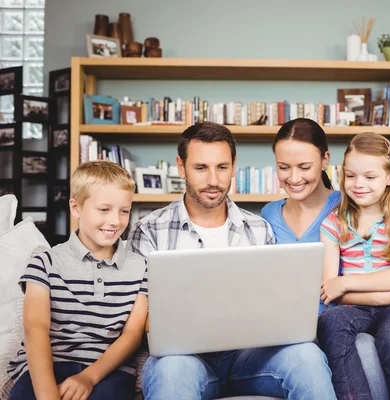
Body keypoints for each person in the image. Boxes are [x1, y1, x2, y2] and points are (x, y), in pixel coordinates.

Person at [126, 122, 336, 400]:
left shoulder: (259, 228)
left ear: (234, 166)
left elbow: (274, 304)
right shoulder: (150, 230)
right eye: (201, 168)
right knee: (172, 370)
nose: (213, 180)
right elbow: (138, 317)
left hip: (248, 358)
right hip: (185, 360)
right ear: (181, 166)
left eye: (222, 167)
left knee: (306, 355)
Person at [262, 118, 390, 400]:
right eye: (284, 167)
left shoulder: (350, 204)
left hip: (374, 309)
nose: (294, 178)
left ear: (324, 161)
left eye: (304, 167)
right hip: (322, 322)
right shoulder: (269, 216)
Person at [8, 160, 148, 400]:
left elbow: (132, 334)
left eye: (124, 211)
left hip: (107, 371)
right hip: (45, 367)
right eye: (104, 209)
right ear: (76, 208)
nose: (115, 220)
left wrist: (89, 377)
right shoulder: (45, 262)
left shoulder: (141, 267)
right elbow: (35, 329)